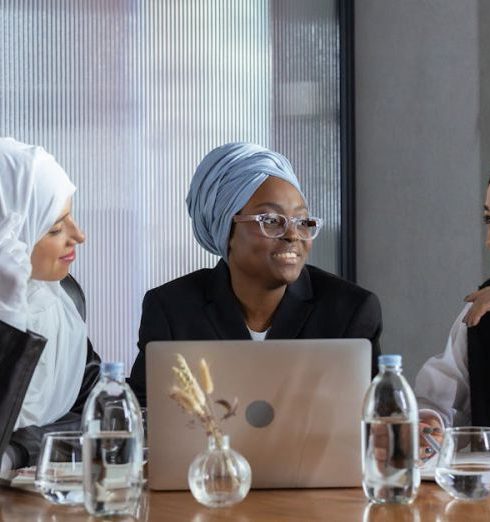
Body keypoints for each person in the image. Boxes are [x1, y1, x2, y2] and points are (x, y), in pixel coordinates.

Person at [129, 142, 383, 406]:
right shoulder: (172, 309)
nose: (293, 235)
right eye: (272, 221)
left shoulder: (350, 310)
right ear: (226, 231)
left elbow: (376, 422)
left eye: (302, 221)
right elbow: (147, 418)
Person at [0, 138, 100, 473]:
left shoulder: (60, 301)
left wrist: (17, 451)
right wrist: (8, 320)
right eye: (56, 227)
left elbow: (95, 413)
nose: (79, 236)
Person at [415, 181, 490, 459]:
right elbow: (441, 401)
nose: (488, 240)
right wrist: (431, 423)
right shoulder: (480, 313)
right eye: (488, 219)